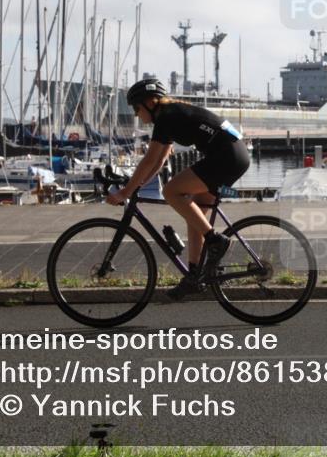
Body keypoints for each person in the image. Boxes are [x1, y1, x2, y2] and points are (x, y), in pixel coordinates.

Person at [107, 78, 250, 299]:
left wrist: (125, 192)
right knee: (195, 215)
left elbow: (148, 161)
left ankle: (215, 241)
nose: (136, 114)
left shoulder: (167, 116)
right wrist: (138, 186)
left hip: (226, 157)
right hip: (233, 155)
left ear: (151, 102)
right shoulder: (170, 115)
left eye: (136, 107)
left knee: (171, 192)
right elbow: (158, 162)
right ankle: (195, 275)